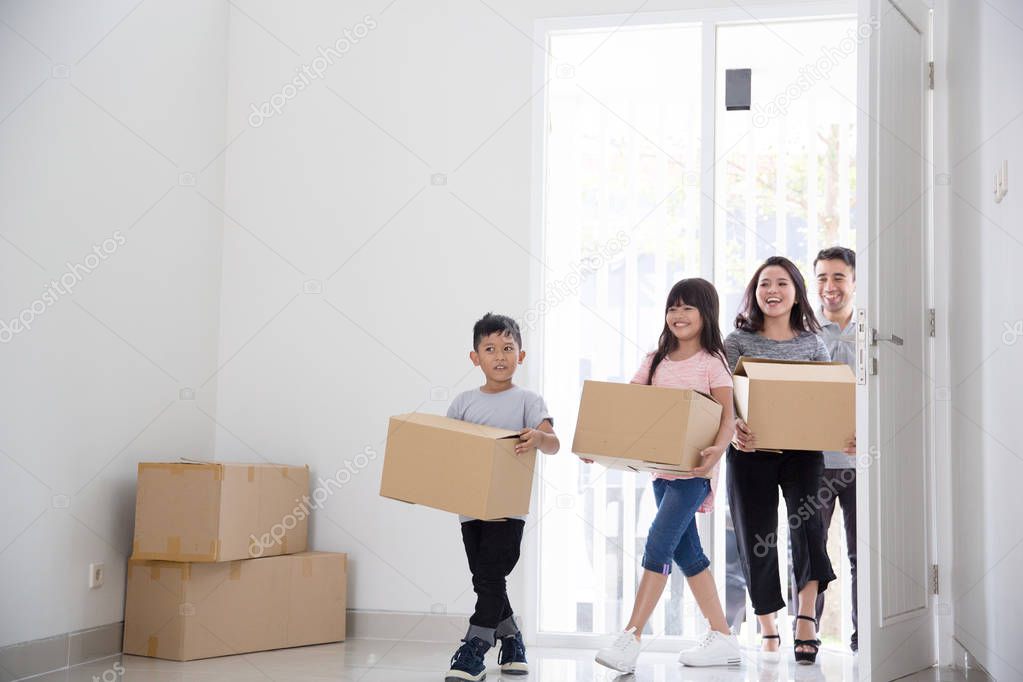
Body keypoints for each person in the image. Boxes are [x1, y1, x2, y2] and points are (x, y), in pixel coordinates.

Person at [593, 278, 742, 673]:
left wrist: (718, 451)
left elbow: (729, 415)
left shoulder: (712, 361)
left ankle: (631, 637)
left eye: (687, 307)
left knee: (658, 542)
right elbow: (629, 405)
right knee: (688, 554)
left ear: (705, 313)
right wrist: (601, 443)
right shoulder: (656, 358)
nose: (678, 315)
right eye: (672, 307)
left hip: (694, 473)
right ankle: (724, 636)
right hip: (660, 472)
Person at [724, 256, 840, 666]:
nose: (771, 291)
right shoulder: (735, 341)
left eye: (781, 284)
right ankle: (767, 621)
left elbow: (829, 400)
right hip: (750, 452)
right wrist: (736, 426)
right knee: (757, 534)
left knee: (809, 528)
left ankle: (806, 618)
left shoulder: (812, 343)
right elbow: (725, 400)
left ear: (796, 292)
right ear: (755, 295)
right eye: (763, 285)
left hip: (802, 452)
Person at [444, 313, 561, 681]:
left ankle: (475, 646)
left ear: (521, 356)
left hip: (509, 508)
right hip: (470, 508)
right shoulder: (462, 402)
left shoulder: (528, 400)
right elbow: (444, 448)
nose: (500, 356)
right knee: (486, 577)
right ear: (474, 357)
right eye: (490, 349)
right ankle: (512, 641)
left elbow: (554, 443)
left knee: (492, 572)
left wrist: (539, 439)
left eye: (508, 348)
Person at [812, 246, 859, 652]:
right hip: (817, 462)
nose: (830, 287)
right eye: (823, 278)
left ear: (854, 281)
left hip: (864, 463)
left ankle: (865, 641)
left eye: (838, 277)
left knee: (863, 554)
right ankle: (805, 634)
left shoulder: (873, 332)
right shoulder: (807, 334)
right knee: (811, 550)